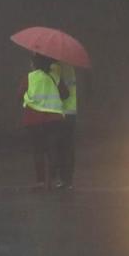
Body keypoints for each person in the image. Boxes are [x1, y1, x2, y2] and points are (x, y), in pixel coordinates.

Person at [22, 52, 66, 189]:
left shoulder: (30, 77)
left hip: (34, 119)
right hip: (54, 118)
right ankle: (53, 180)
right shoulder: (54, 76)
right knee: (52, 149)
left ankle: (40, 182)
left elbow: (19, 94)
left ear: (34, 64)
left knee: (38, 151)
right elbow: (65, 94)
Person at [49, 58, 79, 188]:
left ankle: (61, 179)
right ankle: (69, 180)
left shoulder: (55, 68)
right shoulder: (70, 67)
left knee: (59, 147)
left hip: (59, 112)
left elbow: (59, 91)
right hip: (71, 111)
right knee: (69, 147)